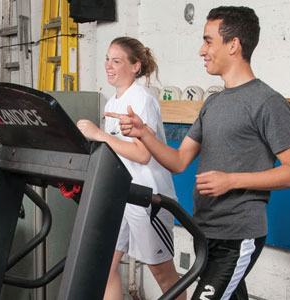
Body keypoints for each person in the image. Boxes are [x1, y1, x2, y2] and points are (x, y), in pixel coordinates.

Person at [107, 6, 290, 300]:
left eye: (208, 41)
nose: (202, 50)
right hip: (206, 231)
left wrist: (231, 181)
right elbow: (178, 161)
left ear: (234, 45)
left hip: (237, 235)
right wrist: (144, 133)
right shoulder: (212, 104)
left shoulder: (267, 102)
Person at [76, 37, 185, 300]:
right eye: (107, 59)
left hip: (149, 199)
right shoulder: (113, 102)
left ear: (135, 66)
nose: (108, 66)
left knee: (164, 276)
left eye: (116, 61)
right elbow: (117, 151)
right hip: (122, 195)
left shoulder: (142, 99)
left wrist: (99, 135)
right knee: (105, 268)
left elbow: (142, 154)